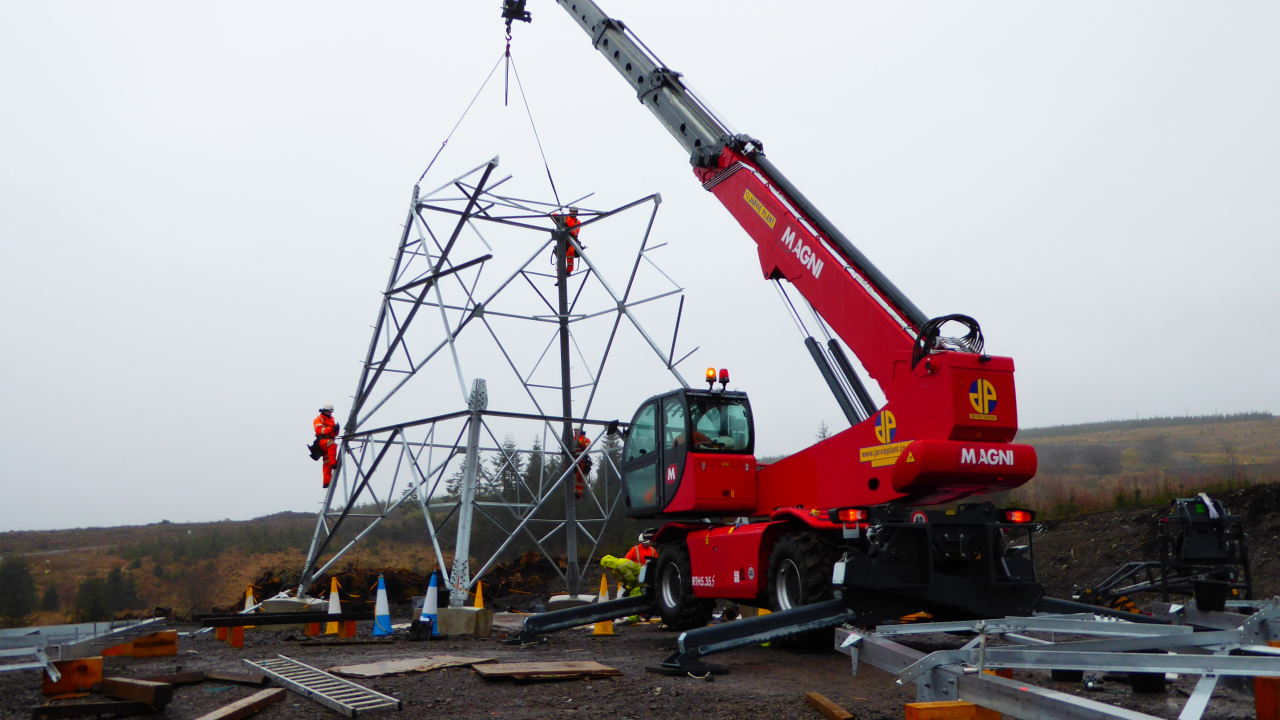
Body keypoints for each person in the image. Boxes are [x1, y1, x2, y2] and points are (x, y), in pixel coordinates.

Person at [314, 404, 340, 488]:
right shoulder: (319, 419)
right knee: (332, 444)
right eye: (329, 411)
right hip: (323, 441)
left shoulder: (331, 420)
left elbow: (334, 434)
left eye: (331, 411)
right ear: (324, 411)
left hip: (329, 439)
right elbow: (320, 430)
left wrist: (336, 429)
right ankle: (333, 463)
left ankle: (327, 482)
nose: (330, 413)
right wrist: (331, 428)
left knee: (326, 463)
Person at [573, 430, 592, 500]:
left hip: (582, 460)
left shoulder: (585, 439)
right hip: (573, 459)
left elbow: (588, 446)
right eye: (574, 430)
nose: (575, 432)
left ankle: (578, 492)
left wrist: (580, 443)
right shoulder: (572, 439)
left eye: (576, 430)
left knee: (580, 477)